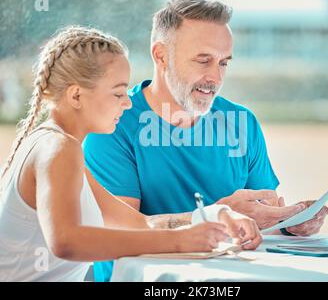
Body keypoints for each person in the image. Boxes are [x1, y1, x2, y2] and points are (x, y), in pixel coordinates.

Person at [84, 0, 328, 282]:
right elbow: (121, 233)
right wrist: (219, 215)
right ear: (161, 56)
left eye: (224, 63)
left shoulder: (242, 122)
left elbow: (261, 221)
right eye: (203, 61)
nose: (215, 77)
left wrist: (289, 224)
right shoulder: (113, 125)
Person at [0, 26, 262, 282]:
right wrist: (179, 242)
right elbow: (66, 242)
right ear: (77, 95)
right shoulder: (58, 149)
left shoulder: (60, 147)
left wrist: (214, 215)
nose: (127, 103)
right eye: (118, 93)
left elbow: (139, 223)